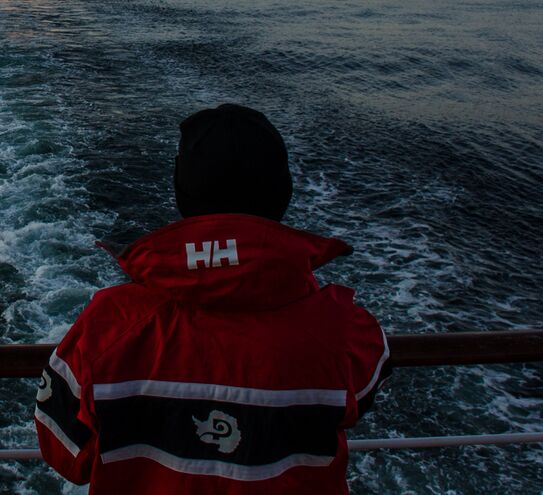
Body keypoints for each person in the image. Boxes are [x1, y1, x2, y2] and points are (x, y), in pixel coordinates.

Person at [34, 104, 389, 494]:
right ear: (282, 194)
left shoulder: (108, 325)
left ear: (182, 196)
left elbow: (65, 455)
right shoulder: (347, 330)